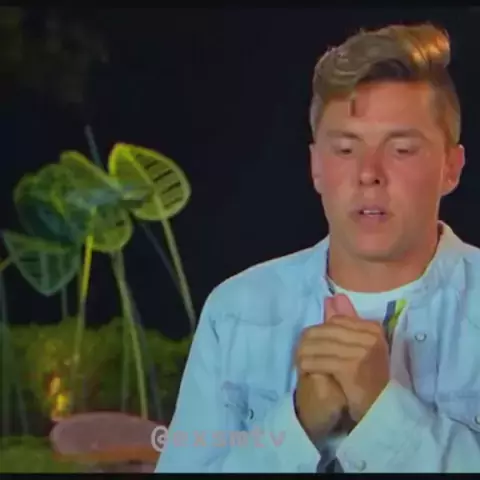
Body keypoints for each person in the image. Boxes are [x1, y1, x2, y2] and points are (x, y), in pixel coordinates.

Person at [154, 23, 480, 473]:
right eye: (345, 149)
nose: (369, 173)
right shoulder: (236, 312)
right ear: (316, 167)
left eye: (402, 149)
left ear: (451, 168)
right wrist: (297, 425)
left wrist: (385, 412)